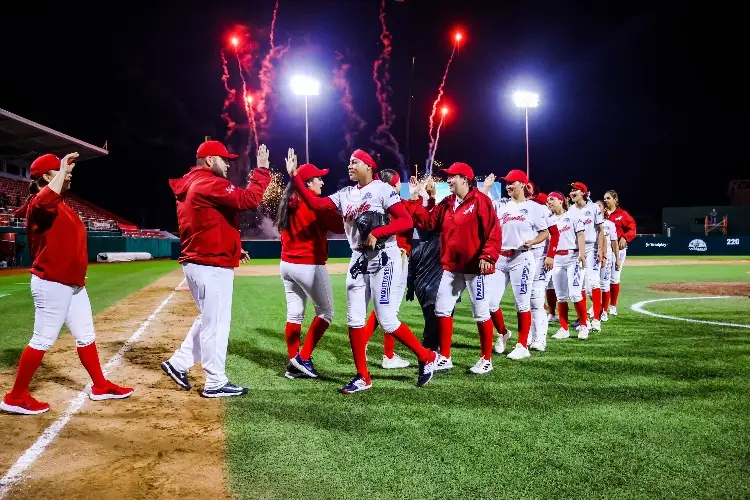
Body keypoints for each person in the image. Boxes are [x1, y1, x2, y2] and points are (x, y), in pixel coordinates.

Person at [286, 148, 438, 393]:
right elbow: (315, 204)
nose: (349, 165)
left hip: (383, 256)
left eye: (355, 161)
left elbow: (405, 221)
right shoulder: (345, 194)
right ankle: (363, 376)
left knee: (387, 320)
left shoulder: (382, 189)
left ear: (368, 166)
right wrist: (294, 177)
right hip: (358, 257)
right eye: (349, 161)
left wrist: (378, 232)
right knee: (354, 319)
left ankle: (426, 356)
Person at [1, 153, 133, 415]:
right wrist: (60, 171)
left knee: (86, 336)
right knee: (42, 339)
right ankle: (15, 397)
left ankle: (100, 385)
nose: (70, 173)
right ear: (47, 177)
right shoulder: (42, 202)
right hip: (52, 283)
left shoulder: (59, 202)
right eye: (62, 170)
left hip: (72, 284)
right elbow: (42, 199)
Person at [161, 141, 271, 398]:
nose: (229, 163)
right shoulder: (210, 182)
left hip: (200, 261)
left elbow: (208, 223)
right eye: (225, 159)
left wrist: (233, 247)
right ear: (209, 161)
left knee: (208, 319)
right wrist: (262, 171)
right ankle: (215, 381)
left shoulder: (192, 183)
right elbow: (250, 199)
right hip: (210, 265)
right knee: (217, 323)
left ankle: (179, 363)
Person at [409, 163, 501, 374]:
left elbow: (493, 231)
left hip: (476, 267)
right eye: (448, 177)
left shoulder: (481, 201)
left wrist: (488, 255)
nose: (449, 180)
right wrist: (415, 199)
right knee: (441, 309)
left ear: (465, 179)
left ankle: (486, 359)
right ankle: (446, 357)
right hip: (452, 267)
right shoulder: (448, 202)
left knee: (480, 313)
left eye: (453, 177)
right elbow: (428, 222)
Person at [275, 163, 343, 379]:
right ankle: (303, 358)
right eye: (318, 178)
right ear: (306, 183)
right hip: (309, 265)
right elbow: (340, 226)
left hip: (286, 265)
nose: (322, 182)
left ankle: (294, 364)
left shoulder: (288, 201)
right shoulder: (315, 205)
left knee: (294, 315)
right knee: (326, 312)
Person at [484, 170, 550, 360]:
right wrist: (487, 186)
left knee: (521, 303)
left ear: (522, 184)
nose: (508, 186)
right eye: (506, 183)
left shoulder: (534, 208)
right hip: (500, 259)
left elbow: (545, 233)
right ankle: (503, 333)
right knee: (490, 303)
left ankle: (522, 345)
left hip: (521, 258)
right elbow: (482, 203)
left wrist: (533, 241)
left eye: (512, 182)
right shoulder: (502, 204)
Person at [362, 168, 420, 370]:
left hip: (379, 257)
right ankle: (388, 356)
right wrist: (416, 198)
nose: (399, 186)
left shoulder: (376, 201)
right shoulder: (395, 203)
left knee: (380, 308)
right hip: (397, 257)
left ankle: (362, 345)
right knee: (389, 311)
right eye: (397, 183)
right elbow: (411, 218)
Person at [404, 177, 445, 351]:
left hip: (422, 288)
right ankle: (431, 348)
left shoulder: (416, 249)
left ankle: (432, 346)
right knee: (438, 316)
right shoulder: (441, 241)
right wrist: (431, 197)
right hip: (436, 286)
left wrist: (410, 289)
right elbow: (431, 218)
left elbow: (411, 273)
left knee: (432, 317)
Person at [547, 192, 588, 340]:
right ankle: (564, 329)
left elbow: (581, 235)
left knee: (575, 293)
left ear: (561, 200)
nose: (549, 202)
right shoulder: (549, 219)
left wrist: (582, 254)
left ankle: (584, 325)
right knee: (561, 296)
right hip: (557, 259)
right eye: (547, 200)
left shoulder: (573, 215)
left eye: (552, 199)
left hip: (572, 257)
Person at [567, 182, 606, 332]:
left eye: (575, 190)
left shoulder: (594, 208)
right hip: (576, 250)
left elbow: (601, 230)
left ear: (583, 192)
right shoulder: (570, 210)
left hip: (591, 247)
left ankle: (597, 318)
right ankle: (585, 320)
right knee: (580, 284)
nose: (572, 192)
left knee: (594, 282)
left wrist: (601, 250)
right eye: (571, 190)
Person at [603, 190, 636, 316]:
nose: (606, 200)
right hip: (604, 249)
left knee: (614, 278)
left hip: (618, 250)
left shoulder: (622, 214)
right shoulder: (602, 213)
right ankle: (601, 306)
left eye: (608, 198)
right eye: (604, 198)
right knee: (602, 279)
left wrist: (625, 237)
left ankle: (612, 306)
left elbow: (632, 227)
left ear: (615, 199)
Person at [595, 200, 621, 321]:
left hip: (607, 257)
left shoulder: (609, 224)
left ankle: (604, 311)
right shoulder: (590, 223)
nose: (596, 207)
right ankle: (597, 308)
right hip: (593, 257)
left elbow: (615, 243)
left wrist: (617, 259)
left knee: (604, 285)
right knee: (591, 286)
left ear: (604, 209)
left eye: (599, 205)